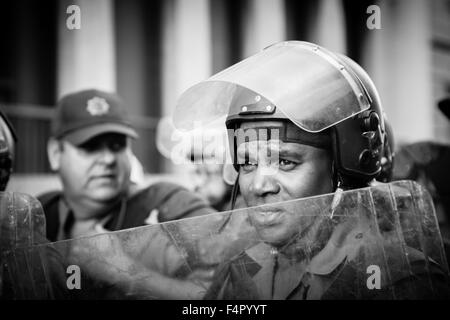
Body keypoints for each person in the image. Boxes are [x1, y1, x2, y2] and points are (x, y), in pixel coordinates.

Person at [170, 41, 450, 299]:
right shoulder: (242, 268)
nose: (258, 186)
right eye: (247, 164)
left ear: (343, 170)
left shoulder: (395, 277)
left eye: (285, 162)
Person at [38, 89, 215, 242]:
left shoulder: (168, 206)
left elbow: (232, 259)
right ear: (55, 153)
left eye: (117, 145)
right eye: (90, 146)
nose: (108, 159)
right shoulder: (38, 215)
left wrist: (125, 270)